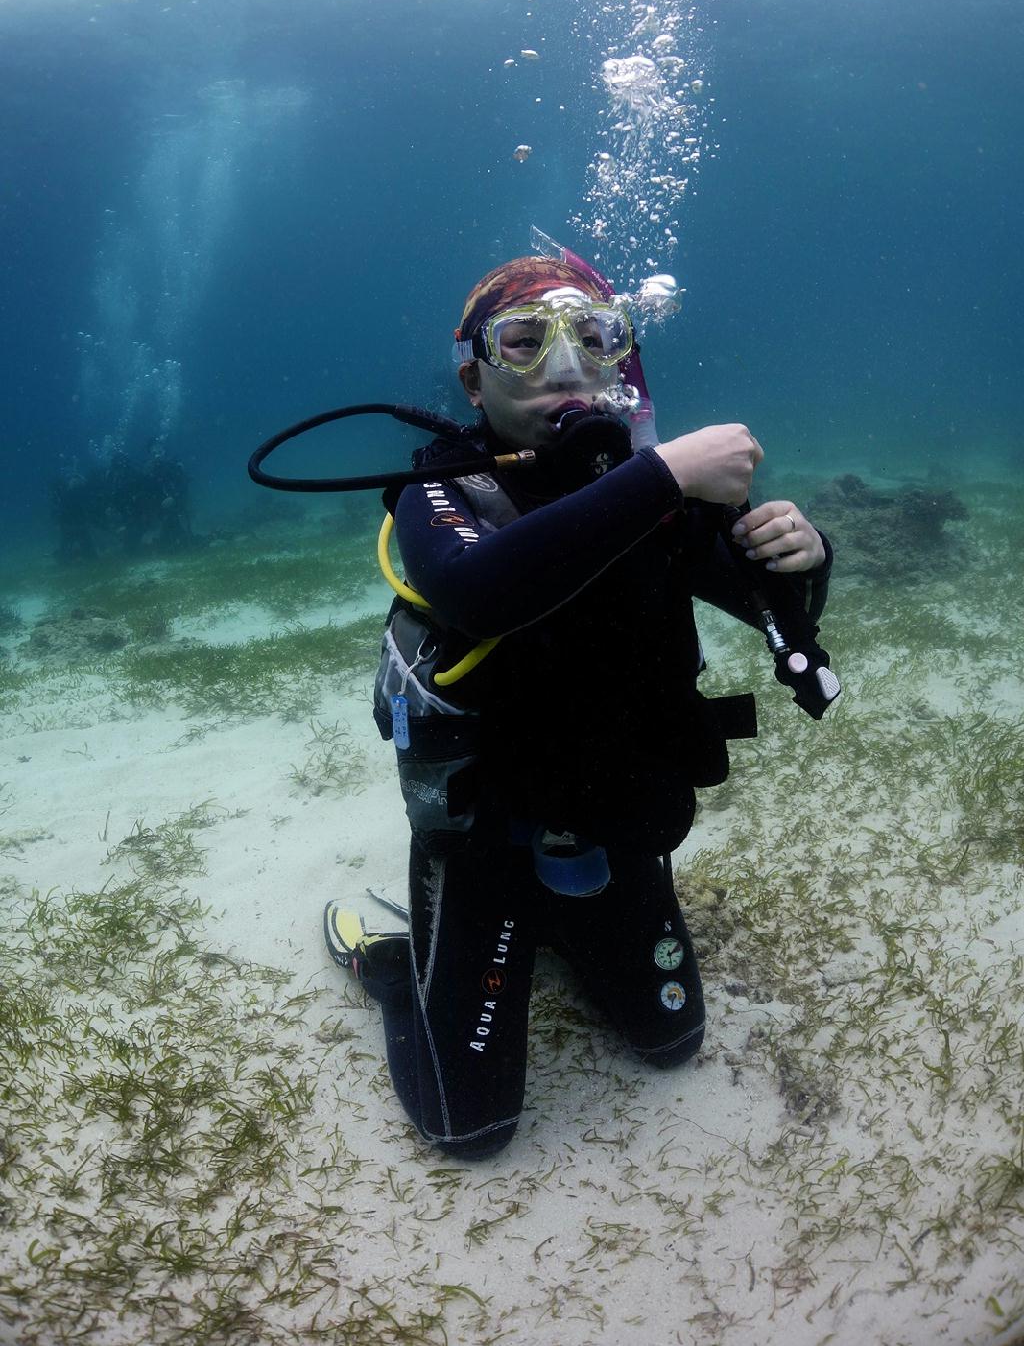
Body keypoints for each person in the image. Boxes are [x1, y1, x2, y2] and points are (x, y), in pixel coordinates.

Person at [323, 250, 832, 1159]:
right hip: (487, 834)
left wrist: (803, 553)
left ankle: (563, 923)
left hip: (614, 816)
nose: (565, 364)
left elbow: (765, 604)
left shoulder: (650, 487)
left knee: (671, 1042)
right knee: (467, 1127)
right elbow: (480, 591)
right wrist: (664, 476)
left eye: (597, 338)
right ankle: (401, 970)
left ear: (622, 361)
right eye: (523, 341)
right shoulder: (438, 492)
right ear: (473, 376)